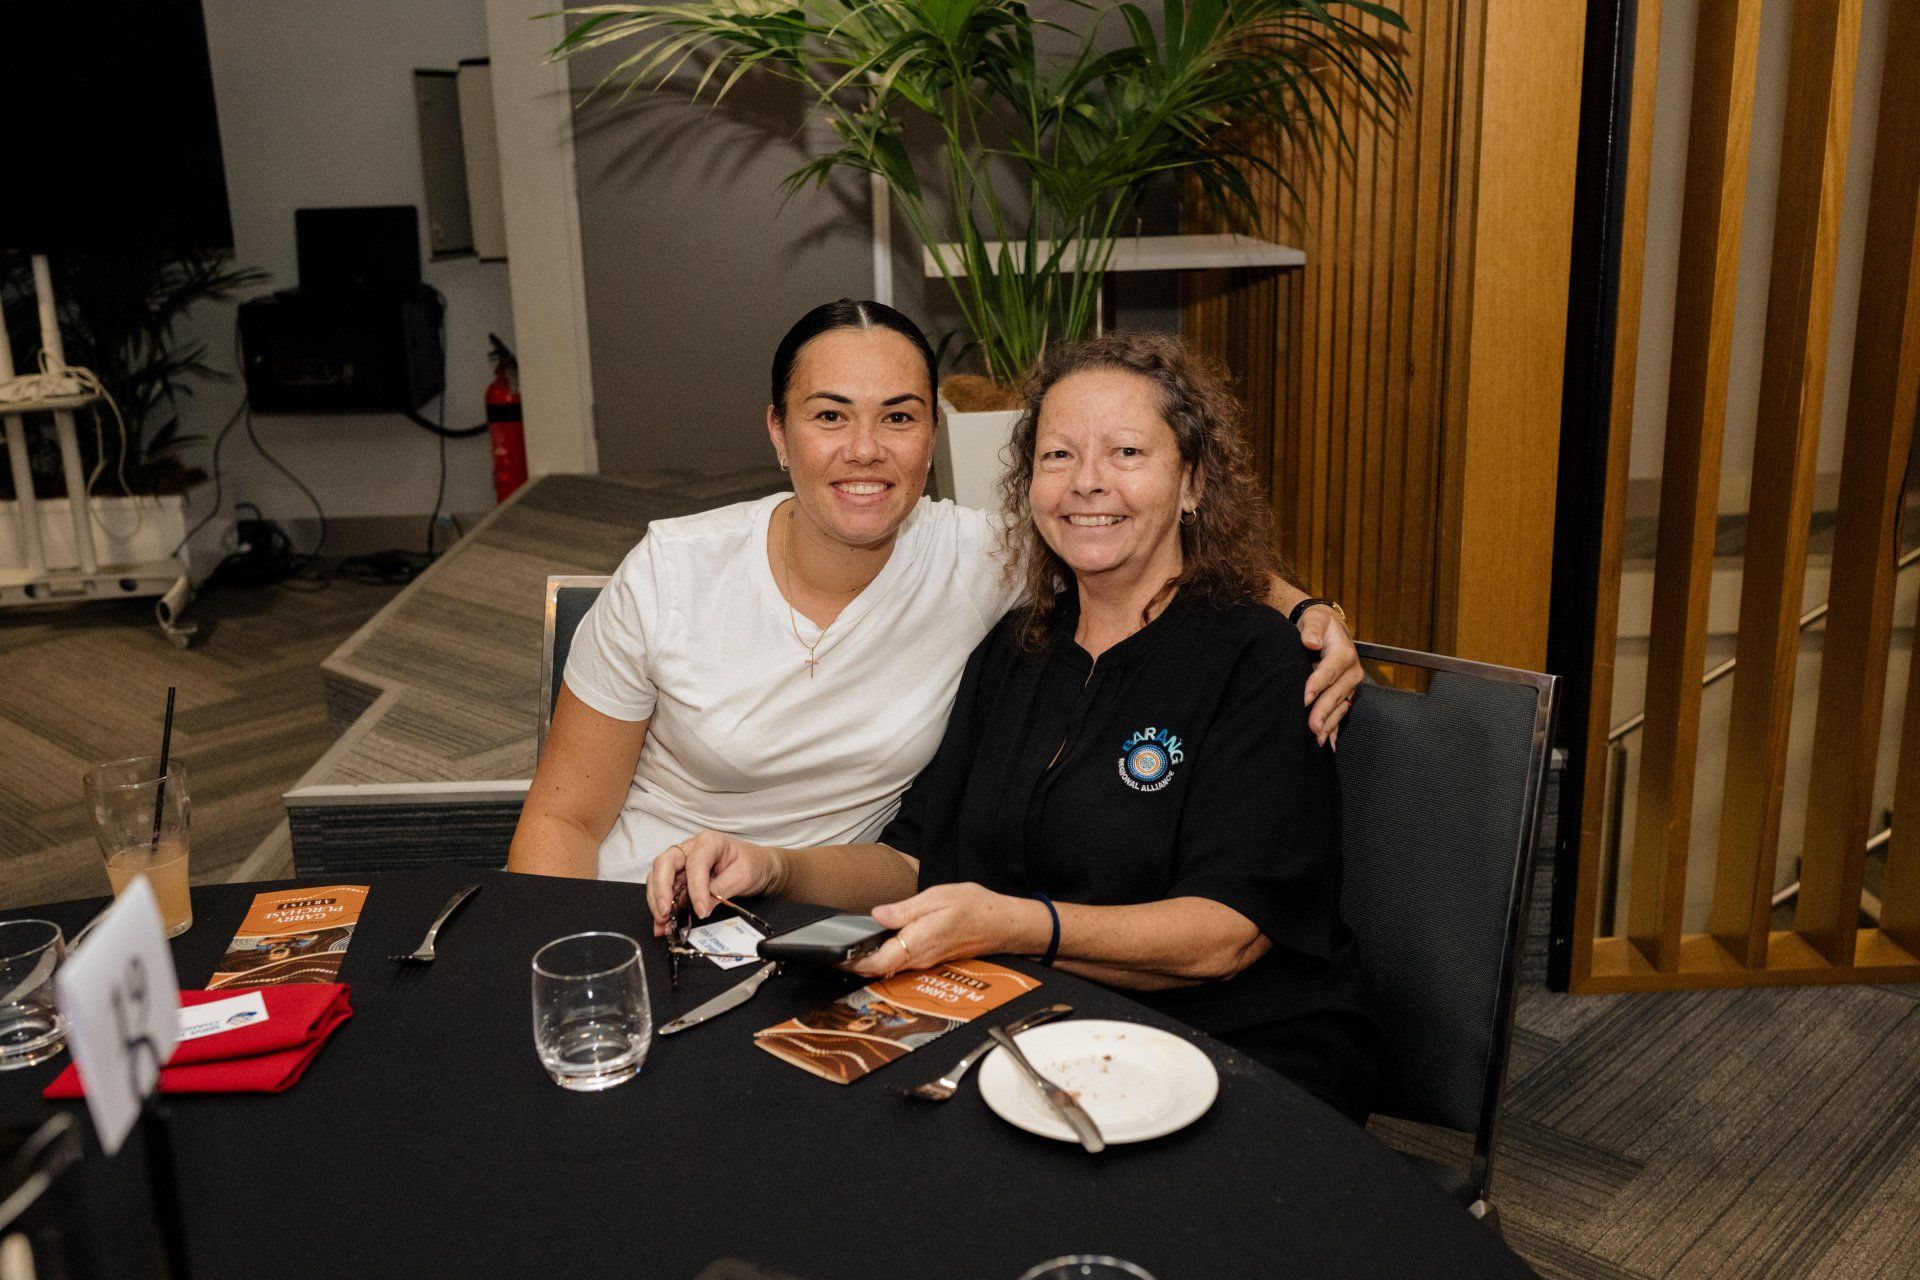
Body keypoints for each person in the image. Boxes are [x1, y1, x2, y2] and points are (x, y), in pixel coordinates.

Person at [647, 332, 1382, 1121]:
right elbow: (915, 858)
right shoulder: (1016, 648)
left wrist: (1008, 923)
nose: (1087, 483)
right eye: (1059, 456)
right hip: (1032, 1027)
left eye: (1127, 452)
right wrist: (771, 867)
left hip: (1235, 1051)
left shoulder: (1261, 663)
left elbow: (1223, 937)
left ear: (1193, 481)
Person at [507, 300, 1361, 885]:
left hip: (826, 922)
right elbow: (565, 822)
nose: (866, 450)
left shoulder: (982, 557)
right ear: (778, 431)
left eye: (900, 417)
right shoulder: (671, 572)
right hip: (637, 900)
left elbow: (1147, 537)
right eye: (830, 415)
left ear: (932, 436)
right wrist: (558, 961)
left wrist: (1307, 611)